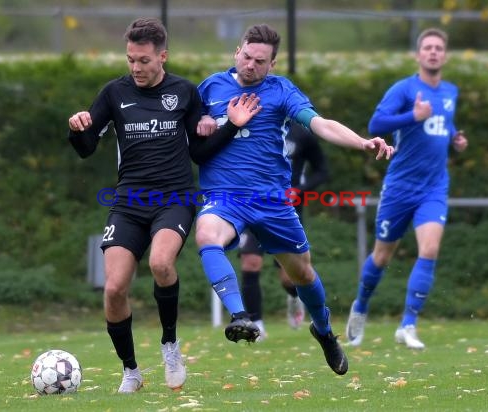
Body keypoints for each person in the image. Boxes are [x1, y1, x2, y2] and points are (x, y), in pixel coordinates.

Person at [67, 17, 261, 393]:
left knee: (160, 263)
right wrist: (77, 130)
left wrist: (230, 126)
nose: (136, 68)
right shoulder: (113, 93)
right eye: (130, 60)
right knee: (114, 289)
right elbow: (87, 148)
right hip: (128, 202)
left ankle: (170, 344)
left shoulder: (185, 93)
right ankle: (131, 371)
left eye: (143, 60)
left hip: (175, 198)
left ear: (163, 56)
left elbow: (201, 151)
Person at [194, 23, 394, 376]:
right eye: (247, 56)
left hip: (272, 200)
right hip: (225, 196)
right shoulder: (210, 87)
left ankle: (324, 331)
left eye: (260, 60)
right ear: (236, 52)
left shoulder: (281, 91)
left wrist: (362, 142)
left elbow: (321, 124)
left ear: (272, 64)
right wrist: (203, 120)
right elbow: (186, 124)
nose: (251, 64)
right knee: (207, 234)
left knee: (301, 273)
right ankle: (241, 316)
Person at [345, 28, 468, 349]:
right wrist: (413, 115)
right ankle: (360, 307)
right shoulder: (404, 89)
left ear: (445, 55)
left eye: (438, 48)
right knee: (382, 256)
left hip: (434, 188)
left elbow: (444, 122)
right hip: (400, 187)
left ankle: (408, 325)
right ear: (418, 54)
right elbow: (376, 125)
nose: (433, 53)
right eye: (427, 47)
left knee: (429, 250)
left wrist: (455, 138)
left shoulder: (450, 92)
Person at [239, 120, 330, 338]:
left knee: (290, 278)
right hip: (251, 206)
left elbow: (322, 171)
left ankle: (294, 296)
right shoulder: (249, 127)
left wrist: (300, 190)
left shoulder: (302, 134)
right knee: (250, 262)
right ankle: (256, 322)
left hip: (286, 211)